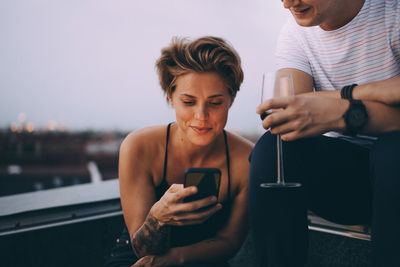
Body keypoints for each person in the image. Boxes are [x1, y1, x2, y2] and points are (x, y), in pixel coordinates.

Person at [249, 0, 400, 266]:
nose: (288, 3)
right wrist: (371, 96)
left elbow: (315, 104)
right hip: (347, 183)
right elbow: (294, 109)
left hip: (392, 174)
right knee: (273, 147)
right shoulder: (295, 32)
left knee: (392, 151)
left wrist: (341, 104)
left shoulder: (393, 12)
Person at [105, 36, 253, 267]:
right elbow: (141, 248)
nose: (201, 116)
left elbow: (230, 242)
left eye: (215, 103)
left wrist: (173, 259)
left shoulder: (246, 159)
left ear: (230, 100)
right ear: (170, 97)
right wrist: (157, 218)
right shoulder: (138, 147)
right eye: (189, 101)